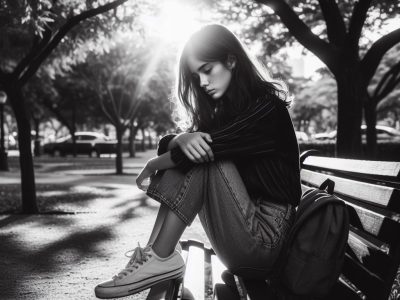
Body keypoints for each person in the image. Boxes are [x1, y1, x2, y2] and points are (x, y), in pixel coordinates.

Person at [94, 24, 301, 299]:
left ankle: (160, 257)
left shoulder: (266, 110)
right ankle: (156, 255)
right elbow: (182, 145)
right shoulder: (230, 112)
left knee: (205, 157)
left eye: (207, 70)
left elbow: (200, 150)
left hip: (265, 241)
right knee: (199, 150)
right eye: (196, 75)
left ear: (231, 60)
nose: (202, 82)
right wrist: (180, 138)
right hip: (244, 234)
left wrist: (154, 164)